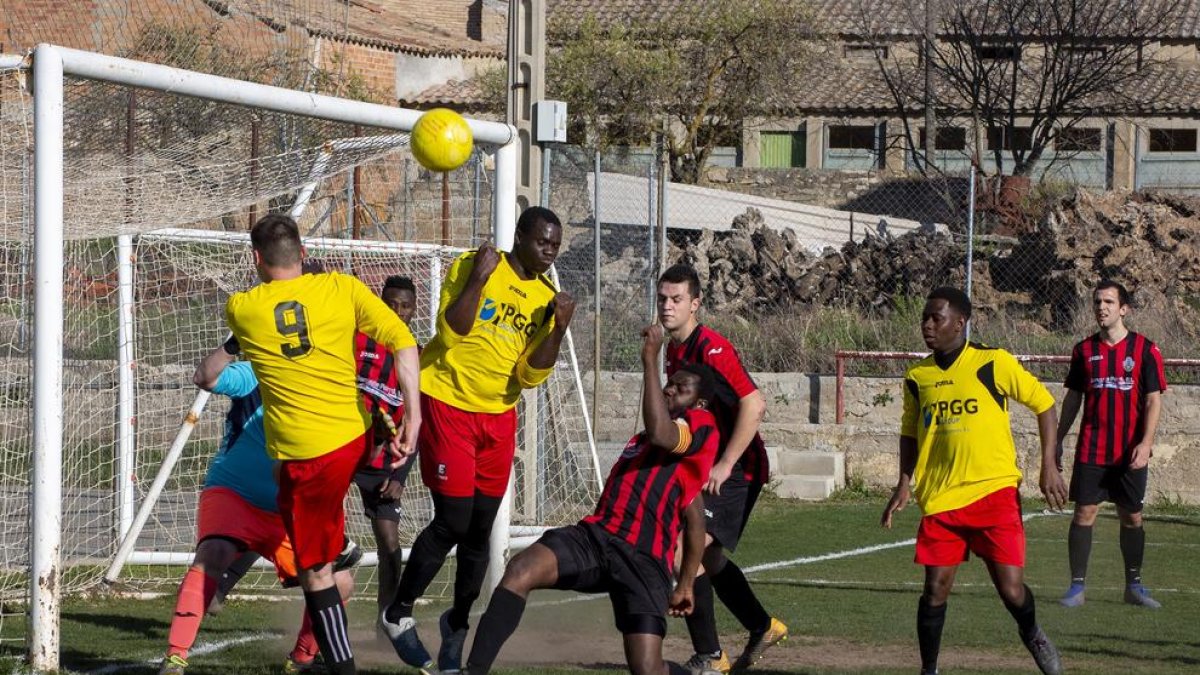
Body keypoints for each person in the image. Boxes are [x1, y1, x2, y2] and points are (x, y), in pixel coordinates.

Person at [380, 206, 575, 674]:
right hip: (447, 401)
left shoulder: (546, 296)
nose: (549, 251)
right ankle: (398, 612)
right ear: (519, 236)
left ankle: (457, 622)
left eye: (555, 244)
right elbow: (450, 333)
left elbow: (530, 375)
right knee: (453, 520)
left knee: (481, 529)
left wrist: (560, 327)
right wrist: (478, 282)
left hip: (498, 415)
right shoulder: (475, 263)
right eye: (542, 241)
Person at [225, 214, 421, 675]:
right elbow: (403, 340)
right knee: (293, 507)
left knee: (316, 572)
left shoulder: (241, 308)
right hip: (351, 439)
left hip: (310, 455)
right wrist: (412, 414)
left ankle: (341, 667)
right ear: (305, 254)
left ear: (256, 259)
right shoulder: (344, 289)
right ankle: (336, 543)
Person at [464, 324, 720, 675]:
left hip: (643, 559)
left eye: (681, 387)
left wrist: (650, 360)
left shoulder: (701, 424)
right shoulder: (644, 441)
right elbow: (665, 454)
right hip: (596, 538)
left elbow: (693, 515)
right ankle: (473, 671)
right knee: (521, 570)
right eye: (669, 382)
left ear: (701, 401)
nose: (670, 388)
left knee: (647, 669)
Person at [881, 287, 1068, 675]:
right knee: (934, 589)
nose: (928, 325)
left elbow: (1045, 405)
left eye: (937, 317)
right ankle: (928, 669)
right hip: (941, 498)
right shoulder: (918, 377)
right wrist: (904, 482)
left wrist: (1048, 465)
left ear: (960, 323)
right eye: (925, 318)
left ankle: (1032, 632)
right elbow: (910, 433)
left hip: (994, 492)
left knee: (1011, 591)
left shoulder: (991, 362)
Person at [158, 345, 358, 675]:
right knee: (214, 552)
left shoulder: (327, 389)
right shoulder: (254, 375)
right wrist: (231, 347)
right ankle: (175, 658)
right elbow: (205, 377)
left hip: (288, 514)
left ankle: (302, 660)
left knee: (340, 582)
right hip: (233, 493)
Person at [656, 264, 786, 673]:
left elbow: (755, 404)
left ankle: (711, 657)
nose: (667, 307)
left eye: (676, 300)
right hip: (707, 466)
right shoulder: (673, 349)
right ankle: (763, 627)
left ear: (695, 304)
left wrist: (726, 464)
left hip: (737, 470)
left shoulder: (712, 348)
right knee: (709, 562)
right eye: (662, 298)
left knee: (683, 555)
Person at [1057, 280, 1166, 609]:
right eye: (1097, 302)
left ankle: (1133, 586)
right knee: (1084, 512)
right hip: (1093, 449)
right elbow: (1073, 399)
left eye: (1108, 302)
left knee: (1132, 516)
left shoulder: (1146, 350)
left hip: (1129, 451)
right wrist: (1059, 438)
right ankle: (1077, 588)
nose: (1101, 307)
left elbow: (1153, 401)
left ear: (1124, 309)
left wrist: (1146, 443)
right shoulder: (1084, 350)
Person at [352, 275, 422, 612]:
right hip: (346, 449)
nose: (397, 312)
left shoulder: (416, 356)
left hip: (383, 466)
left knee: (390, 544)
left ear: (413, 310)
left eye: (404, 306)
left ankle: (388, 619)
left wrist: (399, 477)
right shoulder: (356, 340)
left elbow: (414, 424)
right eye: (390, 304)